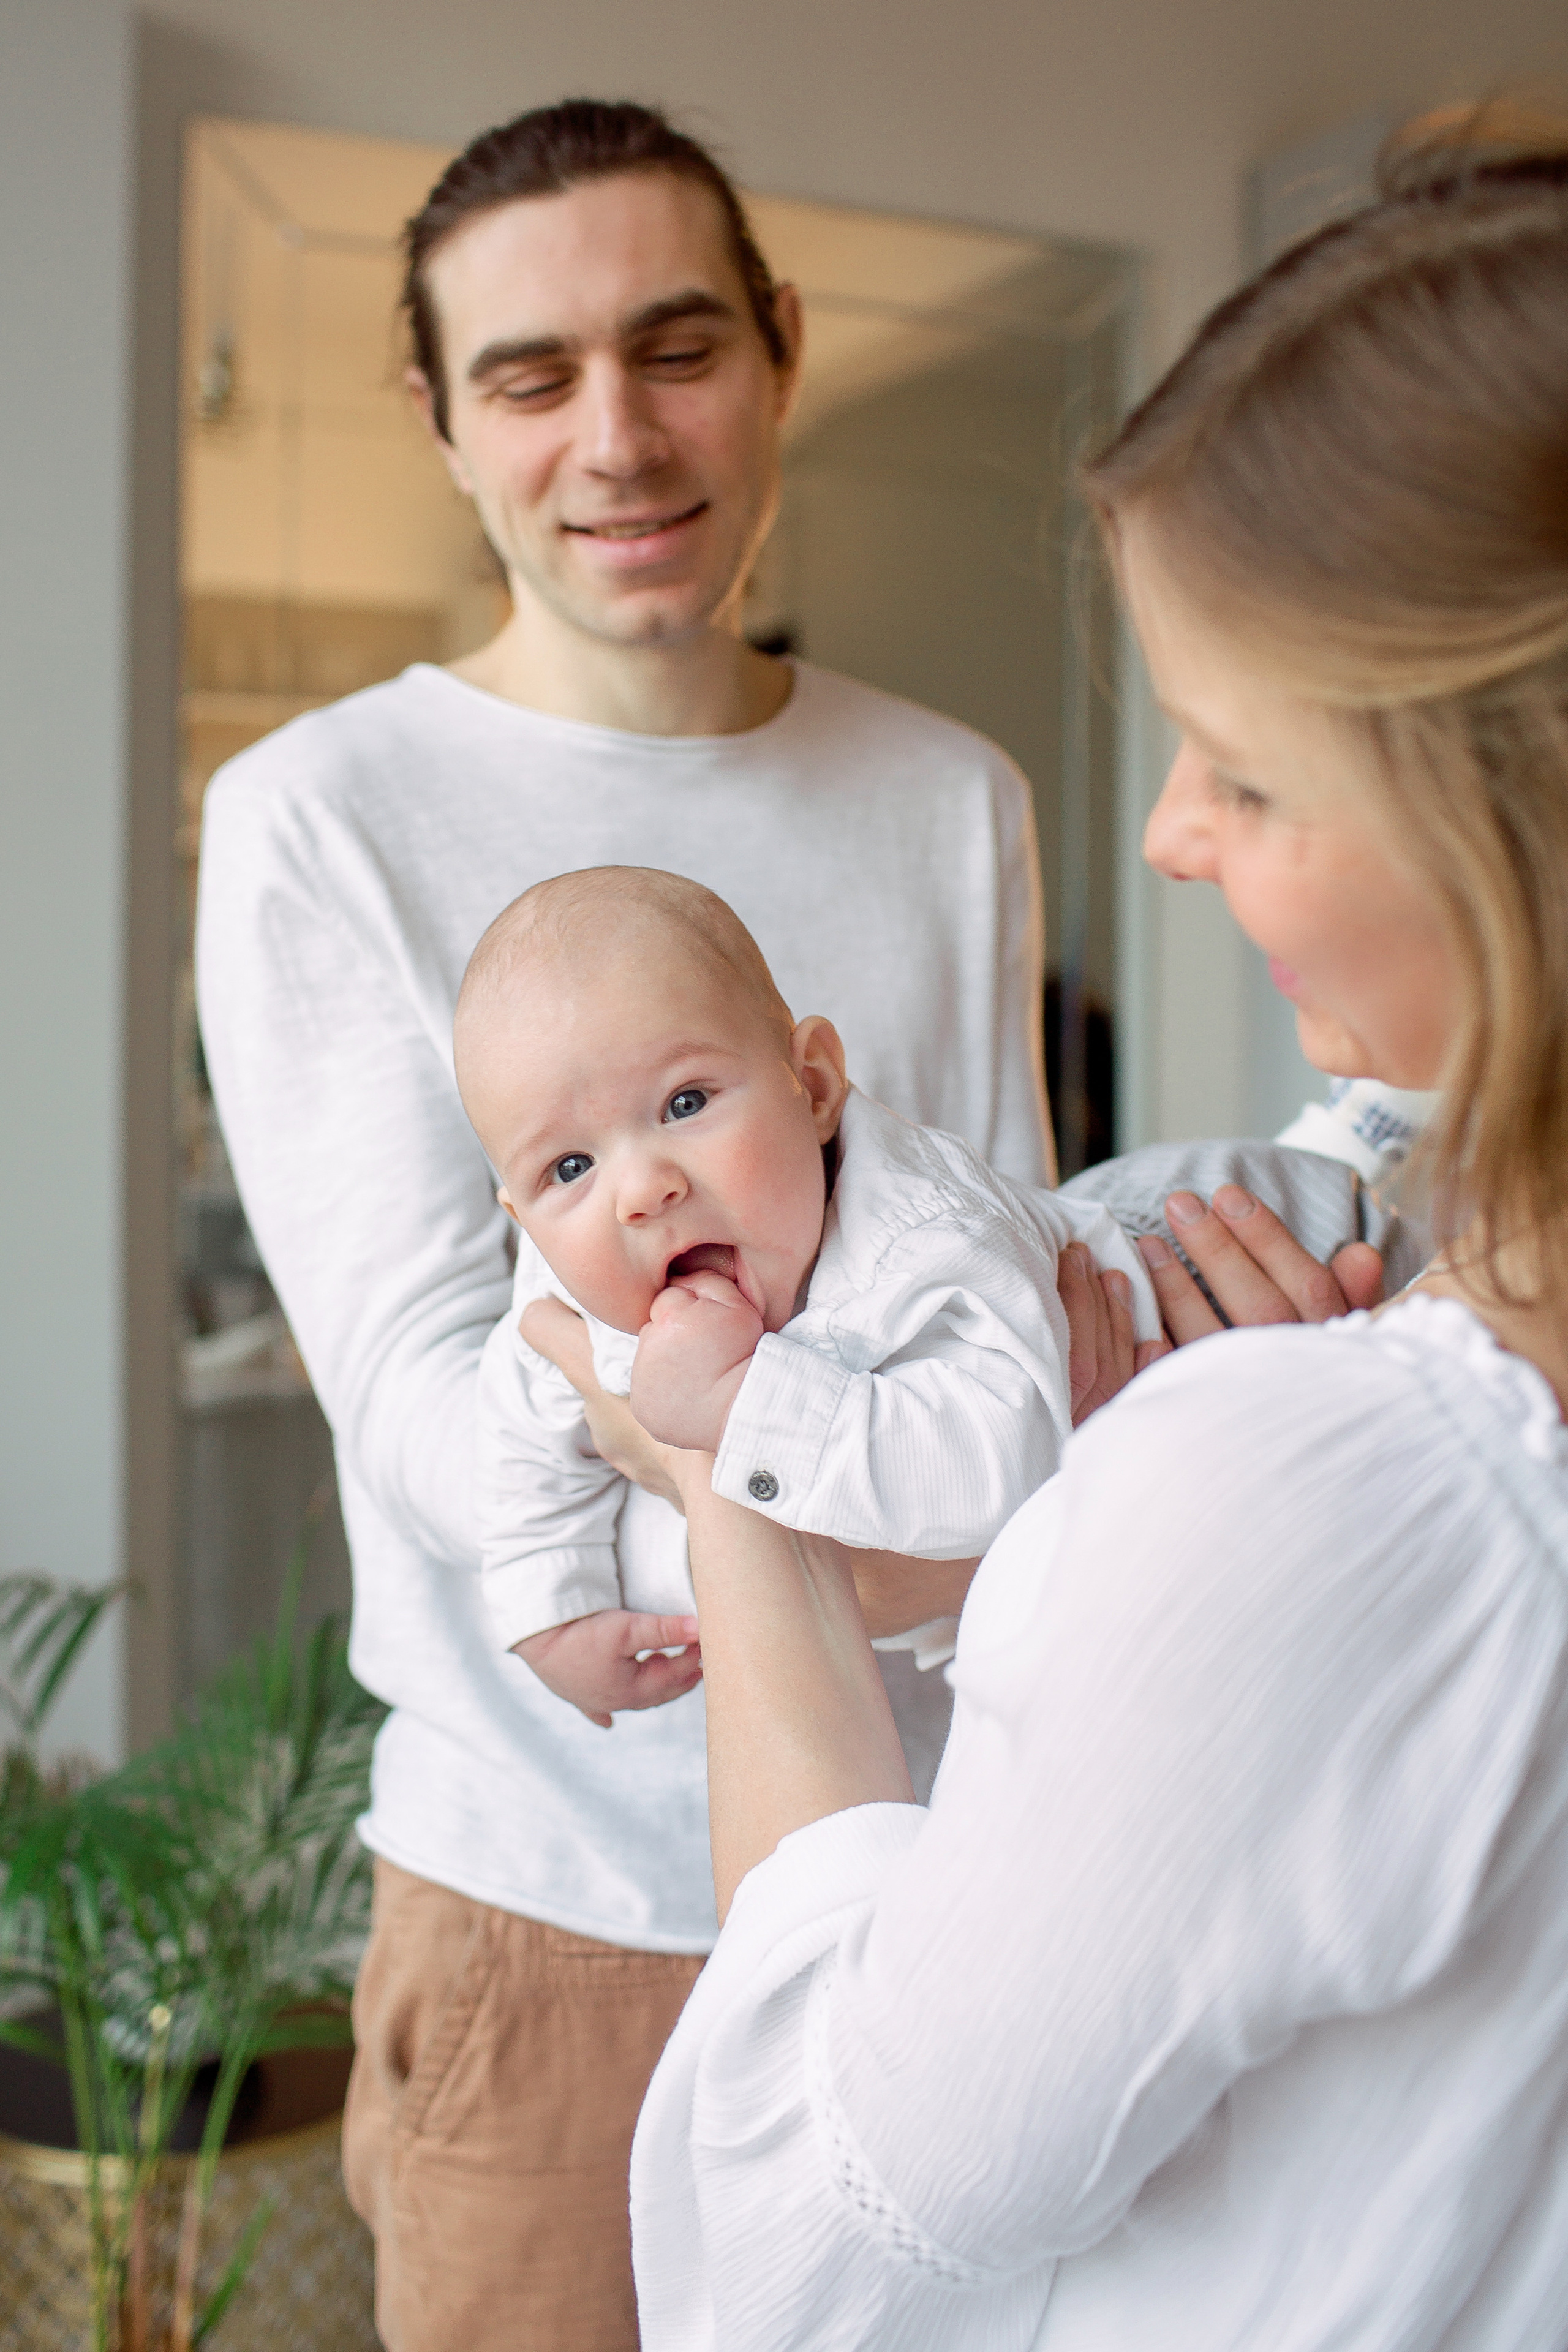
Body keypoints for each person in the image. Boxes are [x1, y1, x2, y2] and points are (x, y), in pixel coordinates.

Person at [581, 111, 1568, 2350]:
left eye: (1251, 767)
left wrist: (729, 1469)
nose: (1171, 833)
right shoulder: (1330, 1390)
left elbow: (809, 2250)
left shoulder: (1310, 1486)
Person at [194, 96, 1061, 2352]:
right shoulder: (320, 813)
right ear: (437, 420)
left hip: (940, 1871)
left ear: (779, 349)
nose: (617, 438)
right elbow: (416, 1400)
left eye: (677, 349)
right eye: (531, 377)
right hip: (561, 1899)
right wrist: (827, 1482)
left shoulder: (952, 793)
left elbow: (1008, 1289)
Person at [456, 864, 1161, 1706]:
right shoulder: (570, 1281)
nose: (642, 1189)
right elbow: (522, 1425)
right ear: (524, 1218)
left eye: (685, 1103)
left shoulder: (925, 1246)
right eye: (570, 1167)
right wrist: (552, 1610)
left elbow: (998, 1471)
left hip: (1181, 1267)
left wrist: (743, 1404)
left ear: (815, 1086)